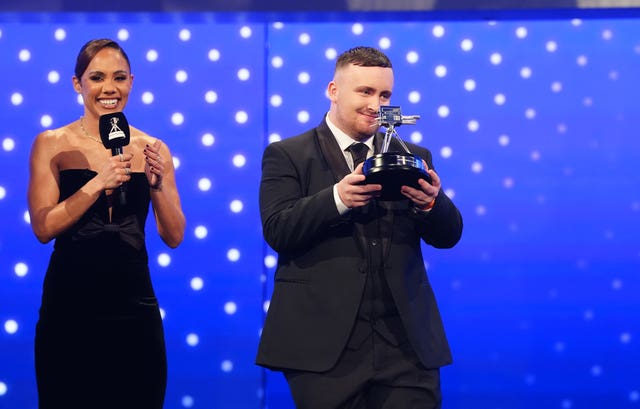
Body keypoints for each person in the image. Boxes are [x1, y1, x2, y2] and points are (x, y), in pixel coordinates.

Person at [256, 46, 463, 408]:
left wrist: (431, 203)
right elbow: (278, 230)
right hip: (323, 348)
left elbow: (448, 236)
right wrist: (337, 198)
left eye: (384, 94)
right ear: (333, 90)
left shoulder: (413, 156)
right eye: (364, 91)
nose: (375, 103)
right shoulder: (288, 154)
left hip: (405, 345)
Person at [27, 38, 185, 409]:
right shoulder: (51, 144)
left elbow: (174, 235)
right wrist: (97, 182)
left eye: (118, 78)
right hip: (70, 303)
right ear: (77, 84)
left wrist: (157, 183)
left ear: (131, 81)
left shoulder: (153, 148)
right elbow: (43, 228)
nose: (109, 89)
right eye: (96, 77)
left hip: (134, 304)